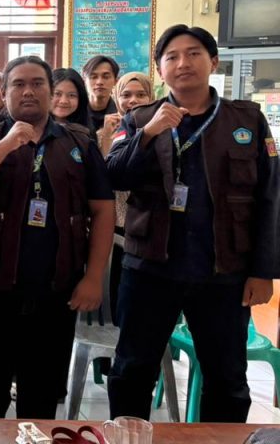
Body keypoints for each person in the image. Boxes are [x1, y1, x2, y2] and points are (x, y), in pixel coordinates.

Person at [106, 25, 280, 422]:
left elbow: (270, 196)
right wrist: (148, 134)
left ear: (213, 62)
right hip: (150, 268)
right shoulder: (139, 119)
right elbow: (112, 175)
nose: (183, 63)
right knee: (132, 370)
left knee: (227, 377)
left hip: (224, 272)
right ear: (160, 70)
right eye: (172, 57)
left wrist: (263, 271)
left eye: (194, 53)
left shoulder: (246, 120)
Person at [0, 55, 115, 420]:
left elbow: (103, 211)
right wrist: (7, 143)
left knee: (41, 397)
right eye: (18, 84)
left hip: (58, 292)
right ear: (4, 92)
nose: (28, 91)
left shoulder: (79, 143)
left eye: (37, 83)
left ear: (51, 92)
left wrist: (92, 277)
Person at [82, 54, 120, 134]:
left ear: (116, 81)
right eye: (94, 77)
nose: (99, 82)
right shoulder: (75, 111)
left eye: (106, 77)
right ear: (84, 81)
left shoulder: (120, 113)